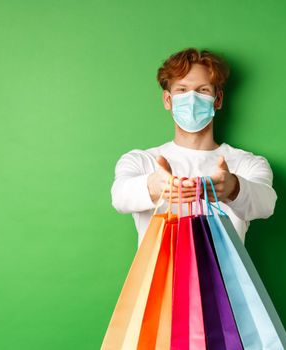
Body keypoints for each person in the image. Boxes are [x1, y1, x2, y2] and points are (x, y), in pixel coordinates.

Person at [111, 47, 277, 247]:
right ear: (167, 100)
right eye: (182, 89)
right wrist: (155, 186)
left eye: (203, 90)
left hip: (224, 279)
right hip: (161, 279)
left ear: (218, 100)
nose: (192, 99)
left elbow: (266, 204)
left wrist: (232, 187)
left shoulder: (246, 163)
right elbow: (119, 197)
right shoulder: (141, 160)